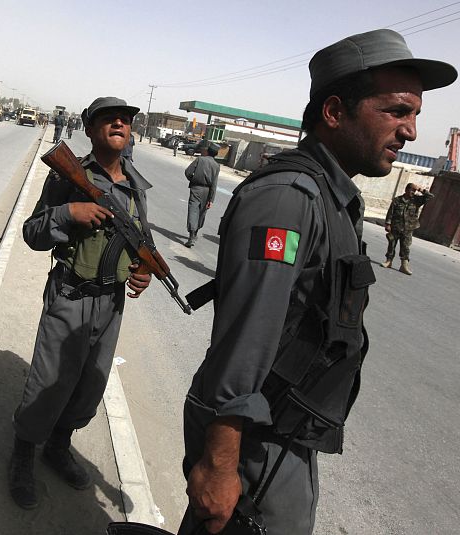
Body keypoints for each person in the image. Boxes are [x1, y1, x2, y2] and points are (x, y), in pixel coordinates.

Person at [178, 29, 455, 535]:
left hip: (284, 436)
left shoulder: (333, 198)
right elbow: (242, 347)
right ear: (334, 112)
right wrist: (218, 466)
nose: (411, 132)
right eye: (396, 111)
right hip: (252, 443)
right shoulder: (289, 199)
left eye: (415, 115)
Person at [9, 97, 153, 509]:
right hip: (70, 297)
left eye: (126, 120)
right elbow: (33, 233)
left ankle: (58, 445)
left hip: (110, 305)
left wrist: (141, 271)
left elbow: (142, 242)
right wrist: (68, 212)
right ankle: (23, 452)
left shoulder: (135, 187)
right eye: (109, 119)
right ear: (90, 130)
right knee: (46, 383)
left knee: (89, 386)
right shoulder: (69, 178)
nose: (120, 123)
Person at [382, 182, 434, 275]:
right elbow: (390, 212)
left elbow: (430, 197)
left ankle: (404, 265)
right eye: (412, 190)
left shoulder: (416, 200)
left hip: (408, 229)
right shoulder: (397, 200)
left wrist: (421, 190)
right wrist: (388, 224)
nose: (413, 192)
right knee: (392, 244)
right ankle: (388, 261)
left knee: (405, 247)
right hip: (395, 227)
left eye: (415, 190)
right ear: (406, 190)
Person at [183, 142, 220, 247]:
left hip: (196, 188)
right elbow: (214, 184)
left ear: (208, 151)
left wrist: (193, 179)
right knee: (201, 213)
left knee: (193, 210)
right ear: (216, 154)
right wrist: (211, 200)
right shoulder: (216, 166)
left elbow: (188, 172)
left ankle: (192, 235)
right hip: (207, 191)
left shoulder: (200, 159)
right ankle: (195, 233)